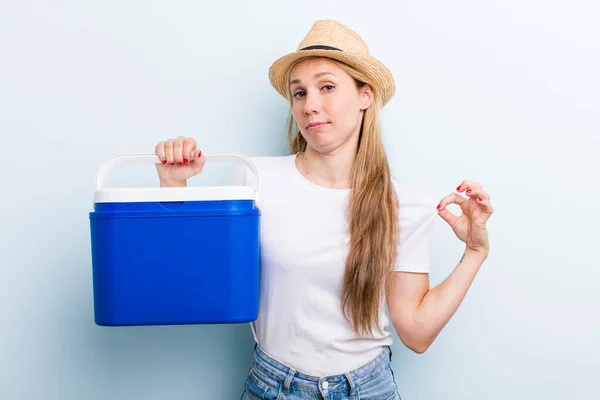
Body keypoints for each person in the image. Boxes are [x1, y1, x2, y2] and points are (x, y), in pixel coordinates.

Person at [153, 20, 494, 400]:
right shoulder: (255, 179)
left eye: (326, 87)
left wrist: (475, 252)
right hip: (272, 387)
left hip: (369, 390)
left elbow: (415, 332)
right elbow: (199, 281)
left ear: (365, 95)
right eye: (299, 93)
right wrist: (174, 187)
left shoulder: (405, 204)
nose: (310, 105)